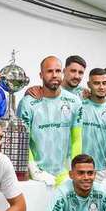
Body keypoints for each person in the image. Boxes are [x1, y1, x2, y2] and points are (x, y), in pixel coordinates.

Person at [17, 56, 82, 186]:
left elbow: (77, 139)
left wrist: (76, 168)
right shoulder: (27, 103)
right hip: (36, 178)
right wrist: (34, 170)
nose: (54, 75)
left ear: (62, 73)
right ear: (41, 75)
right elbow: (23, 141)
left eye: (58, 71)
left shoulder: (74, 101)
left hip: (64, 176)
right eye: (49, 71)